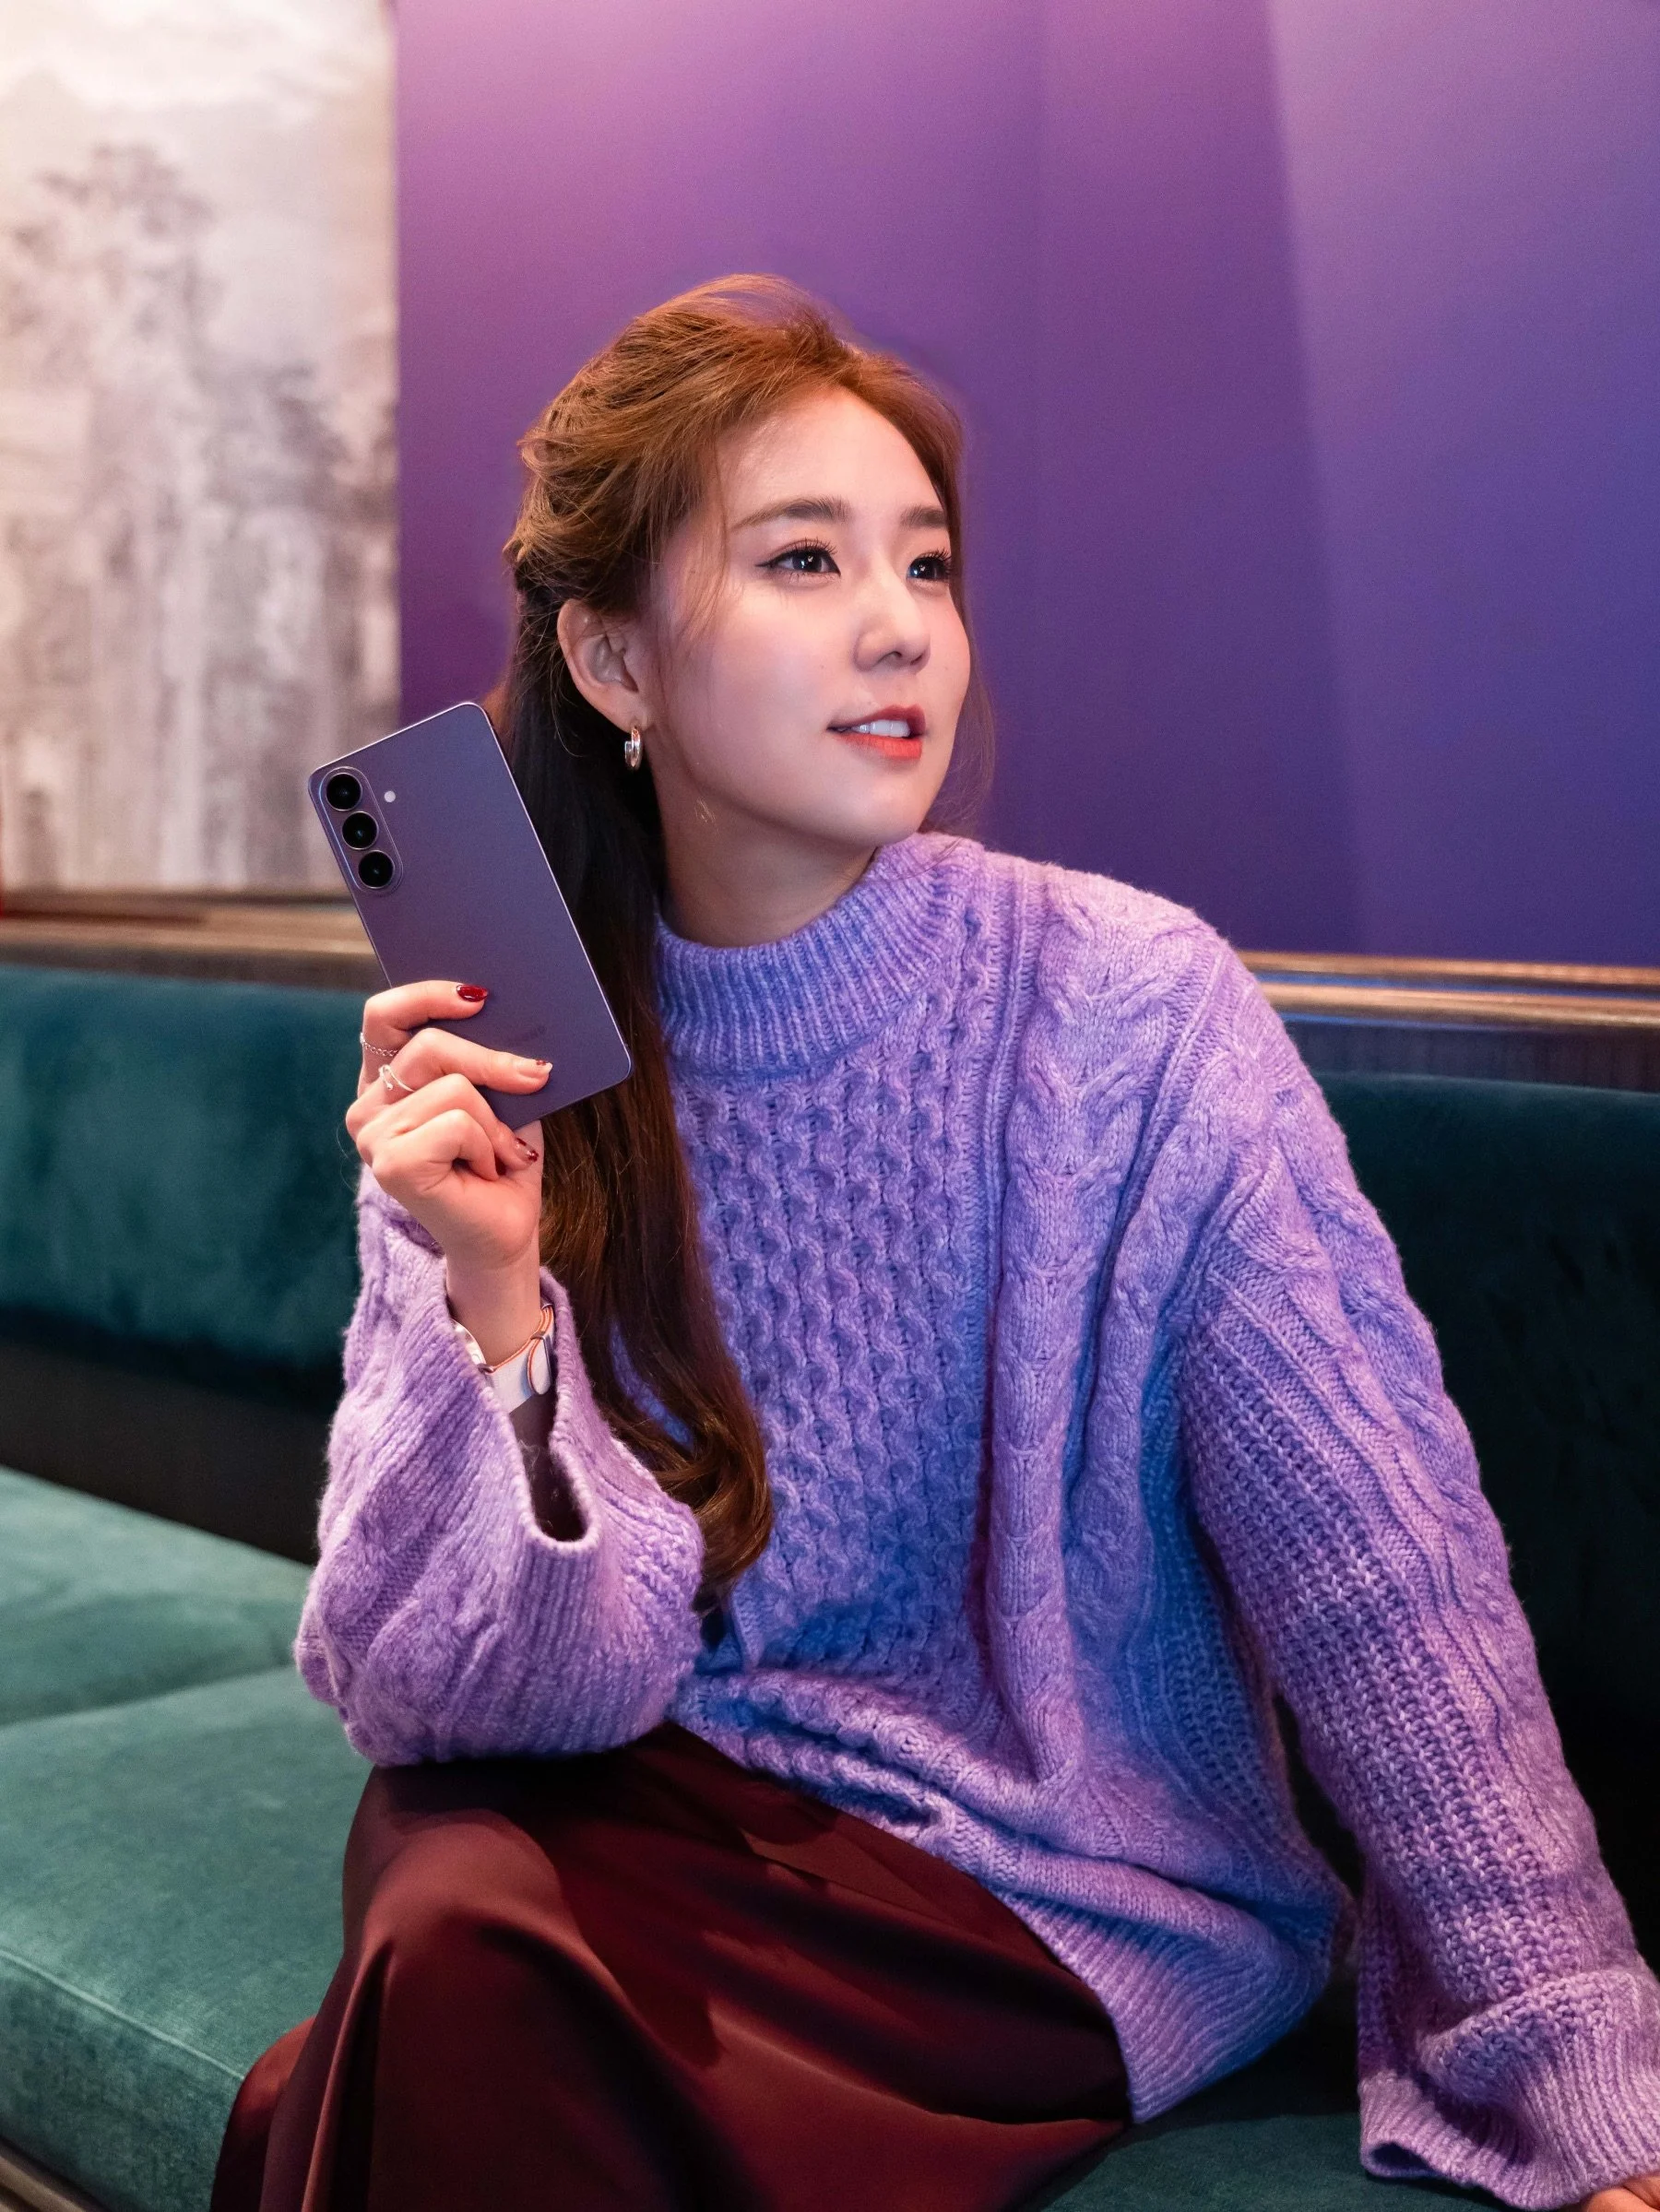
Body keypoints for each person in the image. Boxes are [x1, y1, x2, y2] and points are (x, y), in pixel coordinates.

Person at [214, 277, 1660, 2212]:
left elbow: (1383, 1568)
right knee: (454, 1898)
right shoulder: (506, 1058)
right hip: (657, 1806)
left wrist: (1567, 2045)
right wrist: (494, 1294)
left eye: (928, 563)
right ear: (616, 662)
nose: (899, 623)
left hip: (1037, 1890)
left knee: (423, 2009)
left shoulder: (1129, 1014)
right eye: (804, 558)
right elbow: (460, 1706)